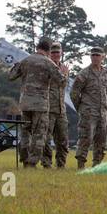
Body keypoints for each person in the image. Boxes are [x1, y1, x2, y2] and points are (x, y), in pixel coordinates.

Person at [8, 37, 62, 168]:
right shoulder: (49, 63)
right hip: (40, 104)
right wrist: (64, 73)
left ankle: (25, 159)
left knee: (25, 132)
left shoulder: (26, 60)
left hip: (25, 103)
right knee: (39, 134)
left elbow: (11, 76)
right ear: (48, 50)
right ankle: (32, 163)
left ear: (37, 47)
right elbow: (61, 81)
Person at [71, 47, 107, 170]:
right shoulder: (84, 74)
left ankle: (97, 165)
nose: (95, 57)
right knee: (86, 137)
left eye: (97, 55)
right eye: (93, 55)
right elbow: (74, 93)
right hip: (88, 112)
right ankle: (81, 164)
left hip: (102, 112)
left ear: (103, 57)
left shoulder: (106, 74)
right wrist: (81, 107)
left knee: (101, 139)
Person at [41, 41, 71, 169]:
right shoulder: (45, 67)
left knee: (63, 139)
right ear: (49, 53)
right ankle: (47, 164)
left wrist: (64, 74)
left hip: (60, 110)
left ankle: (61, 165)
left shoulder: (63, 68)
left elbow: (64, 86)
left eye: (57, 52)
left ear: (61, 53)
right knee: (46, 139)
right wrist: (63, 74)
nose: (55, 54)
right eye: (52, 52)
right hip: (47, 109)